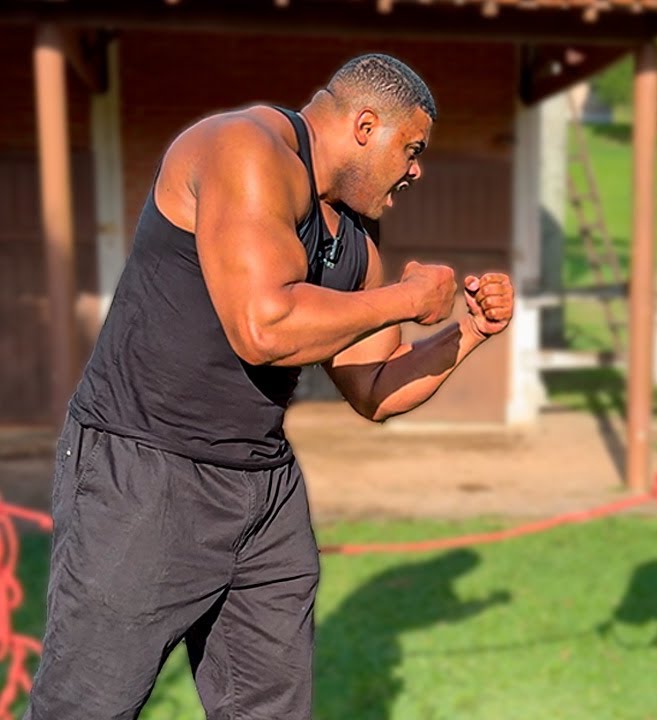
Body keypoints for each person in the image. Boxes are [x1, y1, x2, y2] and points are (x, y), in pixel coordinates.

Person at [23, 53, 513, 719]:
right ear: (366, 125)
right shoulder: (244, 149)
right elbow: (264, 326)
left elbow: (373, 388)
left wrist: (469, 333)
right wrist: (402, 298)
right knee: (87, 710)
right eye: (413, 149)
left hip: (263, 492)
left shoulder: (357, 241)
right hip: (144, 472)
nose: (418, 170)